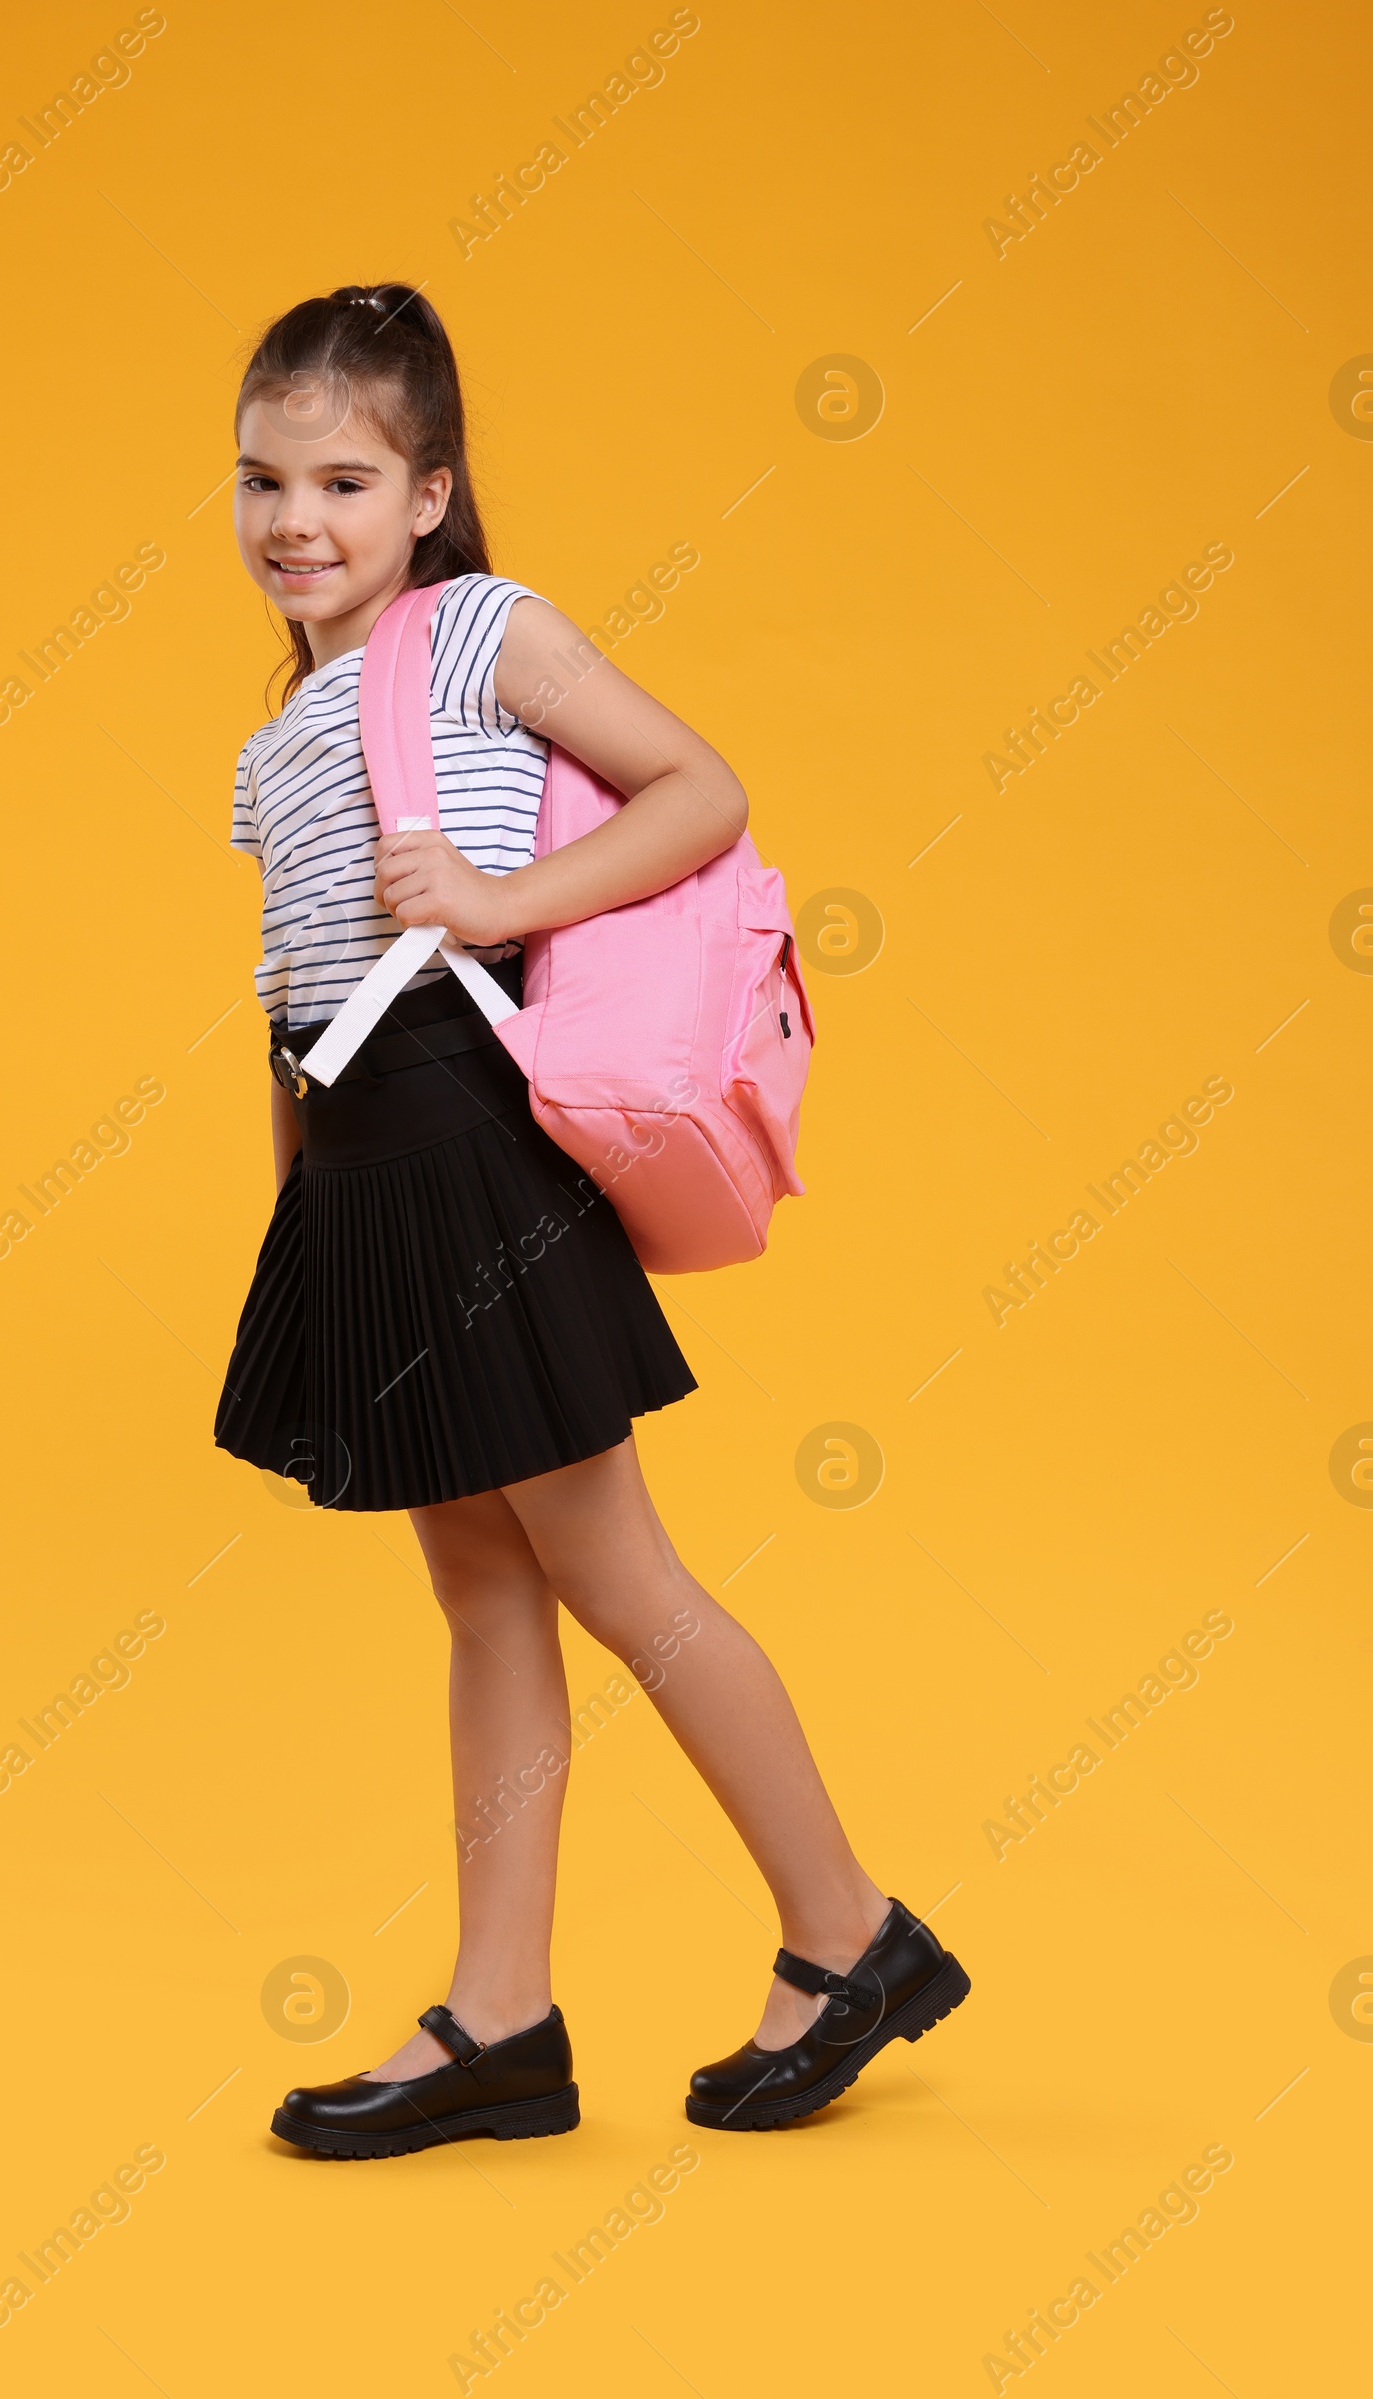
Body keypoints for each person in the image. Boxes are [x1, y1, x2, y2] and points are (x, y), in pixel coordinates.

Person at [214, 283, 969, 2158]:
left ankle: (851, 1934)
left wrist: (494, 892)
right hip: (366, 1167)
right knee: (478, 1588)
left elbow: (703, 792)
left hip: (477, 1154)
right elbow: (297, 984)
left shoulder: (478, 632)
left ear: (430, 491)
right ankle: (501, 2021)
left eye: (344, 477)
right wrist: (299, 1205)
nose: (295, 517)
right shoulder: (279, 733)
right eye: (261, 478)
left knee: (615, 1574)